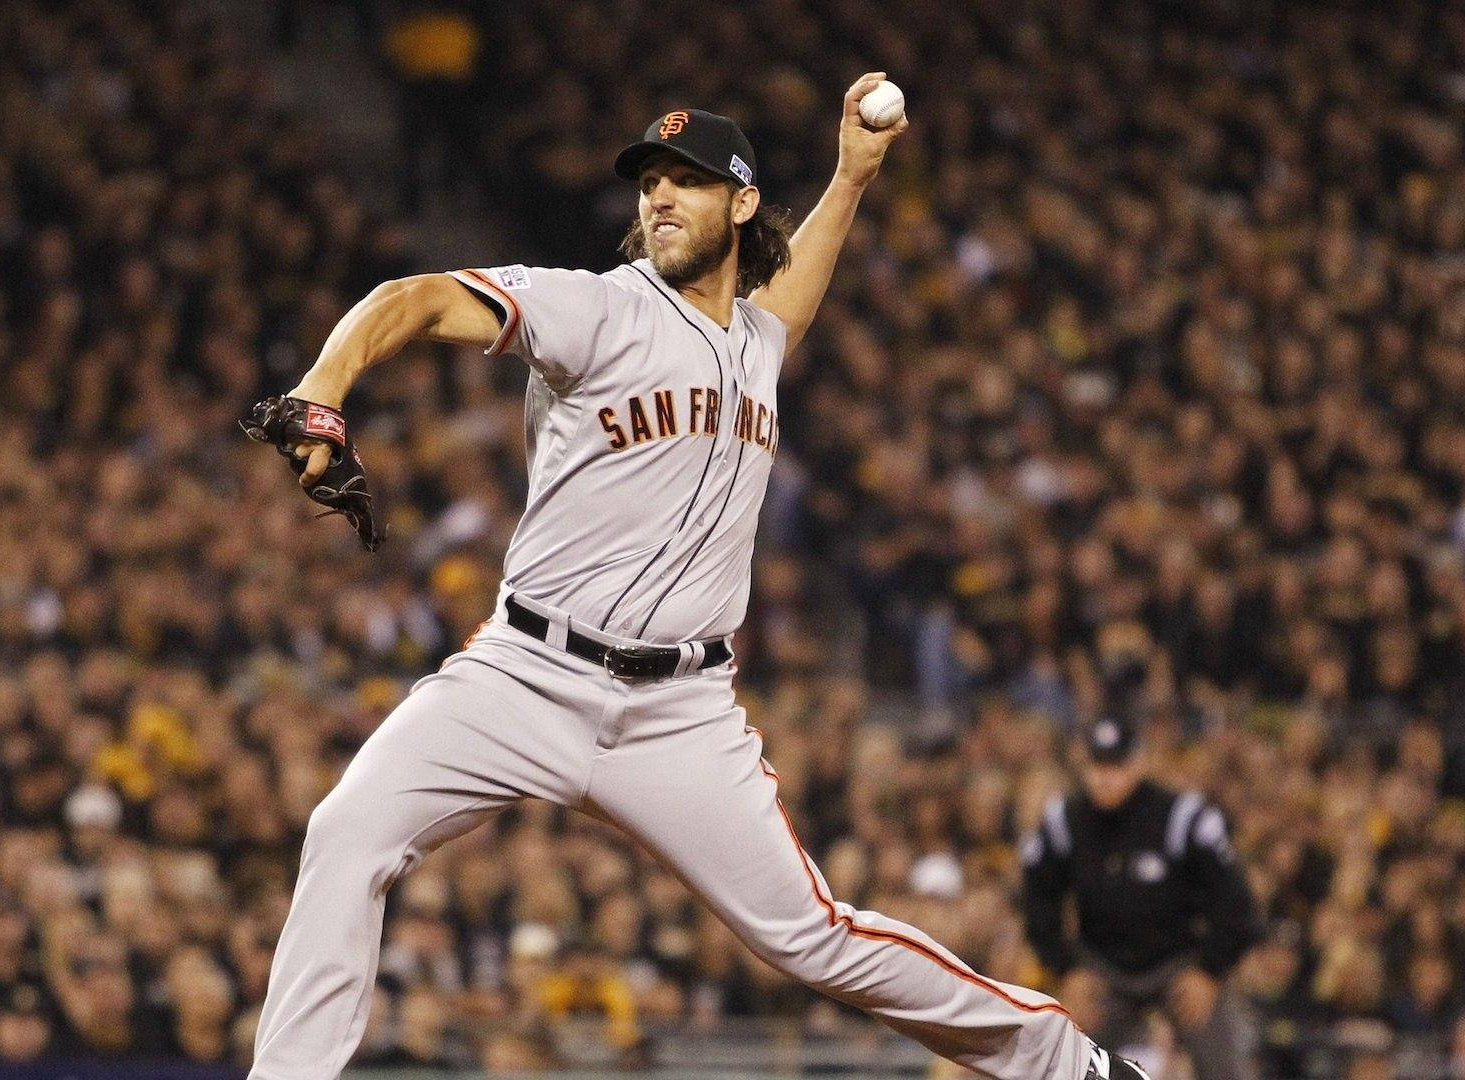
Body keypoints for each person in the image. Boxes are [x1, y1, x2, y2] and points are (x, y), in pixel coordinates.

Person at [243, 73, 1147, 1080]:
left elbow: (786, 302)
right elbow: (413, 300)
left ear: (744, 204)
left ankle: (1073, 1068)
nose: (660, 197)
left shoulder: (755, 340)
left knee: (811, 935)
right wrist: (323, 385)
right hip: (524, 675)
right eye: (650, 182)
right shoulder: (598, 309)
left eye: (689, 181)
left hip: (681, 712)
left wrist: (850, 176)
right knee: (347, 832)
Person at [1021, 718, 1262, 1080]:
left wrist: (1210, 970)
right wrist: (1065, 967)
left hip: (1180, 964)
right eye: (1097, 764)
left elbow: (1236, 904)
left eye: (1117, 765)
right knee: (1060, 1062)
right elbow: (1036, 898)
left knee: (1226, 1065)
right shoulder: (1065, 820)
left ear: (1140, 762)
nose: (1106, 777)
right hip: (1099, 968)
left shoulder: (1183, 816)